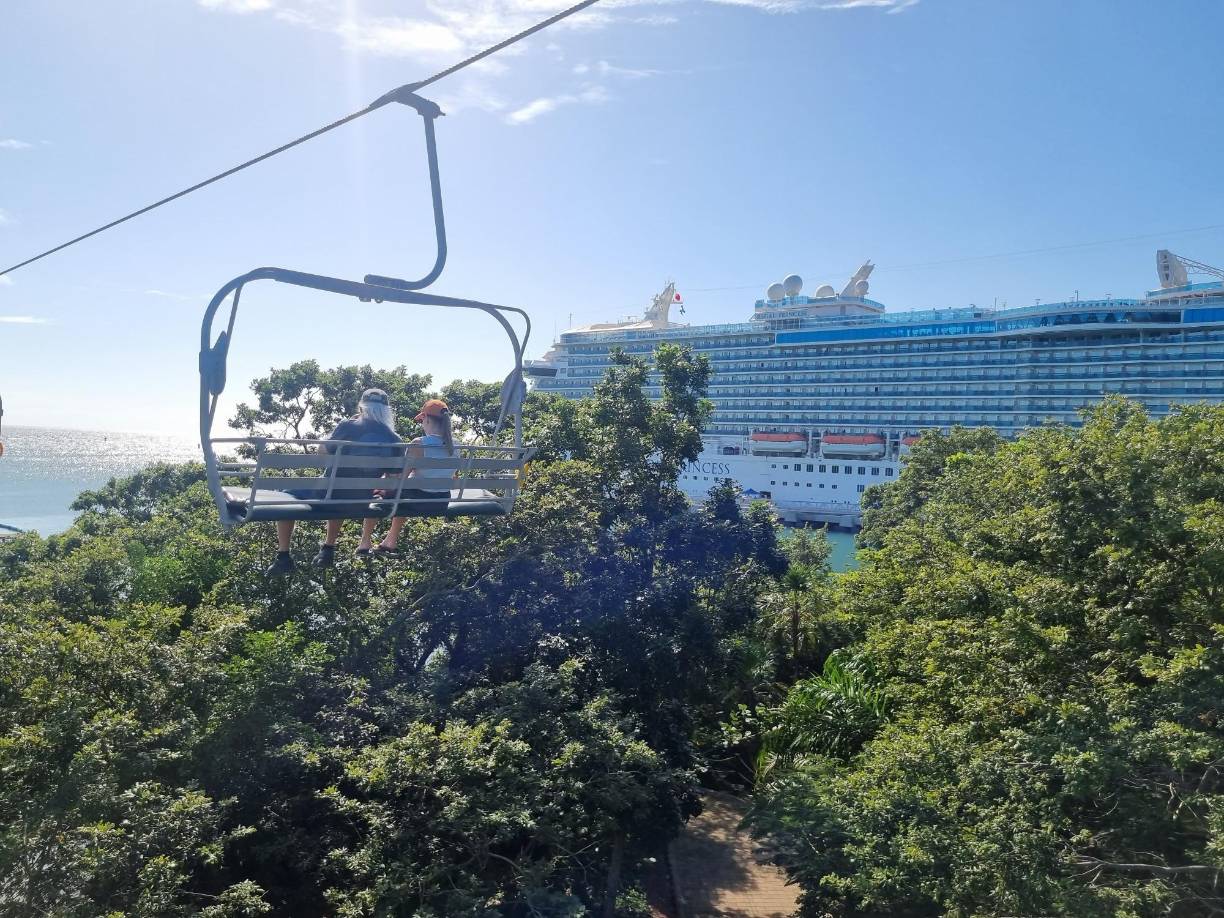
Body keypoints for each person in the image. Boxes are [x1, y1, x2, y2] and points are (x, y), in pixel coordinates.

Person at [265, 387, 403, 577]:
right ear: (386, 411)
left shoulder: (348, 426)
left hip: (327, 494)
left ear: (362, 406)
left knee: (285, 493)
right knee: (341, 493)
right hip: (360, 499)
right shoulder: (394, 439)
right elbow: (394, 476)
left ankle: (283, 556)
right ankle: (328, 548)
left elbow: (322, 453)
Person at [367, 398, 456, 555]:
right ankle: (390, 541)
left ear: (427, 419)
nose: (422, 424)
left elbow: (401, 479)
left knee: (380, 490)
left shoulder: (419, 443)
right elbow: (451, 476)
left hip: (418, 501)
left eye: (422, 420)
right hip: (442, 501)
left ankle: (365, 542)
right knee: (406, 493)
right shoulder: (456, 444)